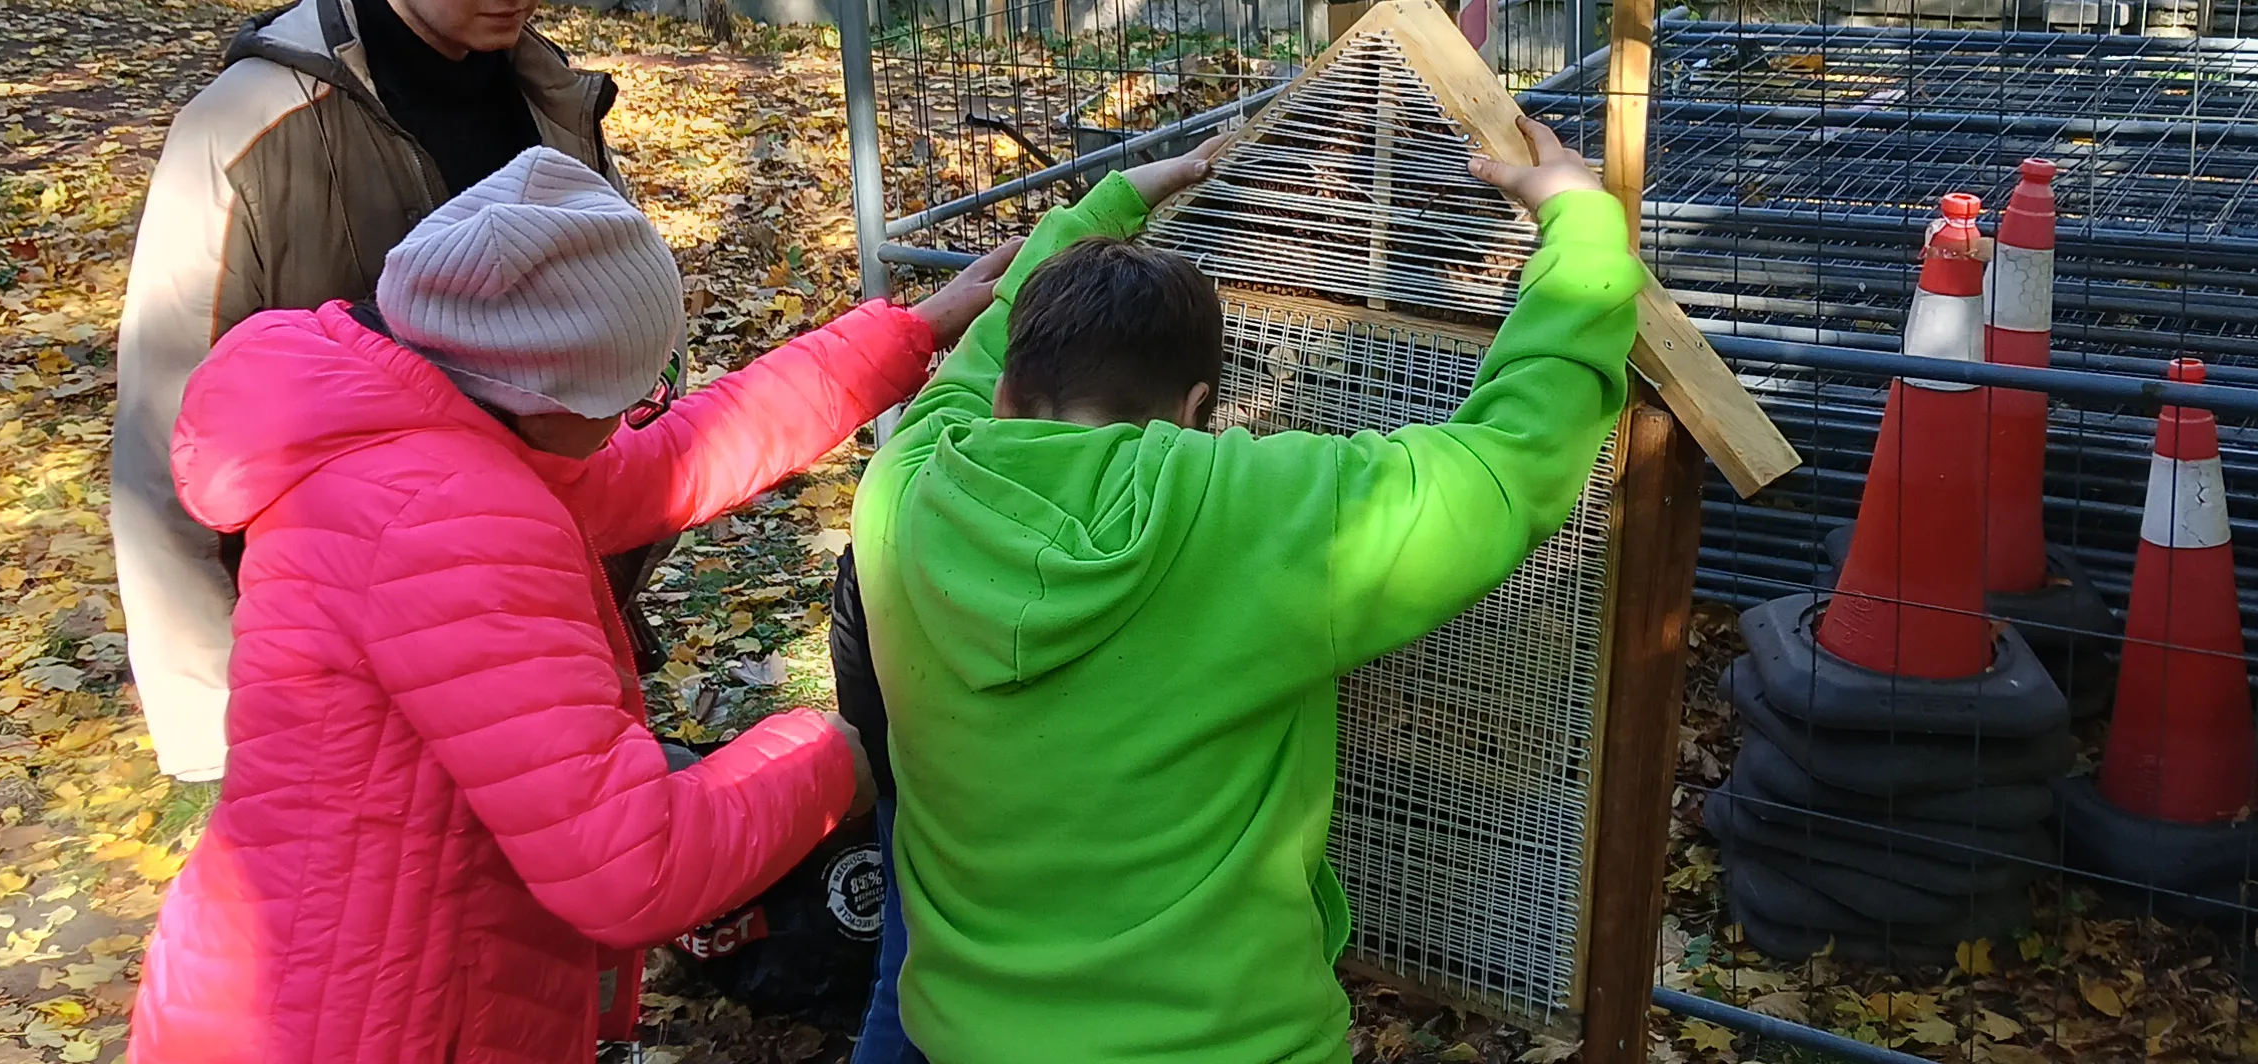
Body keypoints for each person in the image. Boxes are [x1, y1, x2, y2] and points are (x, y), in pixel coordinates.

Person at [128, 147, 1012, 1064]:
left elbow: (677, 458)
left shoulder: (413, 421)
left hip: (354, 971)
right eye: (628, 394)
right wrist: (836, 752)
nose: (639, 413)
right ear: (540, 392)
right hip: (372, 1018)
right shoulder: (452, 521)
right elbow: (634, 863)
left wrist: (913, 333)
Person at [852, 121, 1641, 1063]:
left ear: (1010, 397)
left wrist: (1107, 208)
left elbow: (983, 354)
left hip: (969, 1038)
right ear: (1195, 410)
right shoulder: (1246, 516)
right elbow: (1513, 459)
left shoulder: (900, 487)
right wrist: (1586, 229)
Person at [116, 0, 628, 783]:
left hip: (525, 621)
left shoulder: (552, 102)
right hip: (332, 661)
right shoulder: (246, 131)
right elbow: (166, 439)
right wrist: (218, 729)